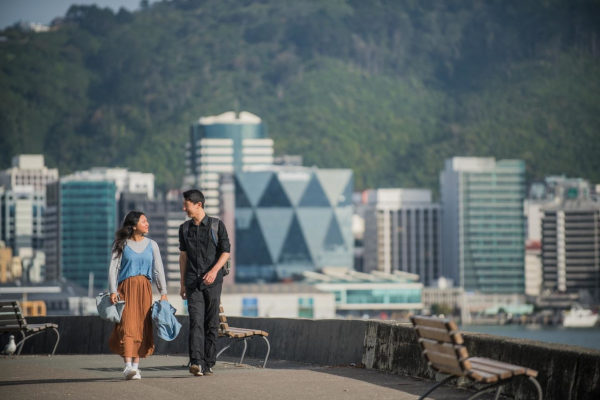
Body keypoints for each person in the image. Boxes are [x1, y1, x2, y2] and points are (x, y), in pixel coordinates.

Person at [108, 211, 168, 380]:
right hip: (125, 289)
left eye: (147, 220)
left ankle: (135, 366)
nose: (147, 224)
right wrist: (113, 290)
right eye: (144, 221)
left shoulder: (152, 245)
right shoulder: (121, 244)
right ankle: (127, 366)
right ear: (134, 226)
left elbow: (158, 270)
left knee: (141, 327)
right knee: (127, 326)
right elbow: (113, 269)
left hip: (144, 290)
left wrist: (163, 292)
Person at [179, 189, 230, 376]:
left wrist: (214, 271)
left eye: (186, 204)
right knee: (195, 321)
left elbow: (226, 251)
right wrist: (183, 283)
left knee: (211, 322)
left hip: (213, 282)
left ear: (198, 204)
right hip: (193, 282)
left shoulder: (217, 225)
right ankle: (196, 362)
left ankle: (208, 362)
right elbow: (183, 257)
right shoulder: (184, 229)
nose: (183, 207)